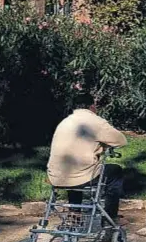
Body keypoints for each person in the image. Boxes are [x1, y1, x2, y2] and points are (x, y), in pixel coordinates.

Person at [46, 93, 127, 226]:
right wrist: (103, 145)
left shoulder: (64, 122)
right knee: (115, 171)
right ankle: (110, 218)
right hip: (82, 175)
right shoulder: (96, 122)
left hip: (56, 175)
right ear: (92, 106)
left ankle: (75, 215)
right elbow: (121, 140)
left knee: (75, 173)